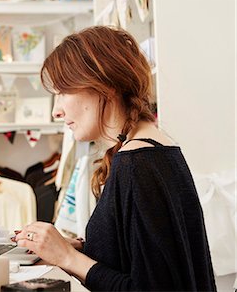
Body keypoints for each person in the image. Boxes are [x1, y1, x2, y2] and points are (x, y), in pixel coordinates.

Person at [13, 26, 216, 291]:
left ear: (103, 86)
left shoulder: (137, 163)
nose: (56, 111)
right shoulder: (156, 149)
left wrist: (68, 258)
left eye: (63, 92)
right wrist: (80, 249)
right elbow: (142, 259)